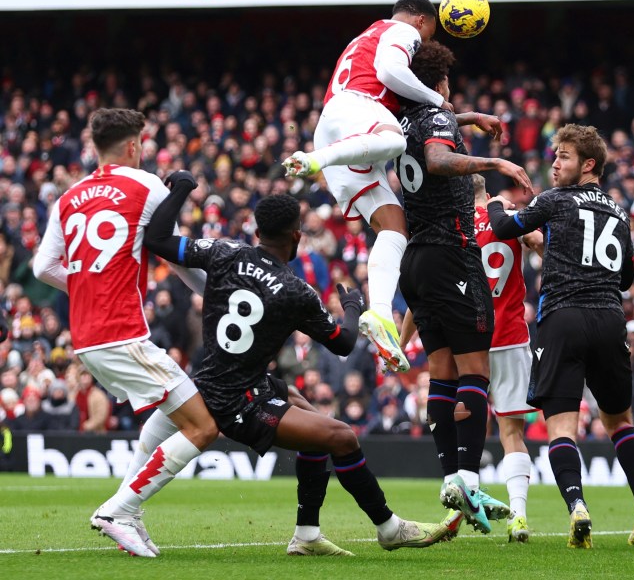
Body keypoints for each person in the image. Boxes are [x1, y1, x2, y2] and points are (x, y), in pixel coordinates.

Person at [145, 185, 450, 555]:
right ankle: (389, 528)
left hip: (218, 381)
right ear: (296, 236)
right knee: (342, 436)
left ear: (257, 232)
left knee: (306, 412)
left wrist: (178, 189)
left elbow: (158, 239)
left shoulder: (224, 251)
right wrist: (352, 305)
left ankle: (306, 534)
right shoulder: (295, 291)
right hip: (236, 401)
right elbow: (343, 341)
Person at [32, 108, 219, 558]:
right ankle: (119, 509)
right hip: (121, 333)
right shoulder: (147, 185)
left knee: (172, 409)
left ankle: (128, 513)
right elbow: (175, 254)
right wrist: (218, 294)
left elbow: (43, 268)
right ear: (134, 145)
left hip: (88, 336)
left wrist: (87, 285)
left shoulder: (68, 197)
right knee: (203, 426)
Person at [282, 0, 502, 374]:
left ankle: (379, 315)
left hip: (345, 130)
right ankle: (315, 161)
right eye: (429, 32)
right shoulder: (400, 30)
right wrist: (438, 98)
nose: (426, 42)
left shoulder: (367, 38)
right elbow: (388, 71)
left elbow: (416, 114)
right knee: (395, 142)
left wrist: (464, 116)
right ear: (420, 20)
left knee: (394, 228)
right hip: (354, 114)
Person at [485, 124, 634, 549]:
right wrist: (555, 249)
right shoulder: (618, 211)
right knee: (620, 421)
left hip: (563, 318)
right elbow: (626, 278)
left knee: (562, 426)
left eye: (563, 156)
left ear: (588, 164)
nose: (554, 162)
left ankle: (578, 507)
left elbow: (506, 227)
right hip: (609, 320)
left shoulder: (555, 200)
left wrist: (493, 203)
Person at [392, 40, 531, 535]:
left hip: (417, 259)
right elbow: (436, 159)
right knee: (476, 371)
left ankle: (452, 475)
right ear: (441, 84)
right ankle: (468, 480)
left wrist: (468, 117)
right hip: (452, 251)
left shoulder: (400, 117)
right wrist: (495, 164)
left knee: (441, 371)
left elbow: (432, 130)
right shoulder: (435, 121)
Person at [473, 173, 543, 543]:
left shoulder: (454, 225)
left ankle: (461, 506)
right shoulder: (509, 219)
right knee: (511, 431)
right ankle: (518, 515)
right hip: (511, 336)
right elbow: (541, 246)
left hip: (469, 337)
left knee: (461, 424)